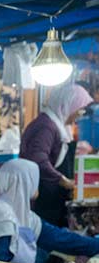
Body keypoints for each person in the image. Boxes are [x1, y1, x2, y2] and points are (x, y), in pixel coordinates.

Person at [0, 159, 99, 263]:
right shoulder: (1, 214)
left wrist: (95, 245)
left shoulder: (25, 215)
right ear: (27, 182)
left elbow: (61, 239)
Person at [20, 84, 92, 227]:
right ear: (68, 105)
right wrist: (62, 180)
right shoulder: (46, 127)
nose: (80, 114)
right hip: (42, 200)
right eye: (80, 109)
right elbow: (38, 160)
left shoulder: (56, 126)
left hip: (51, 198)